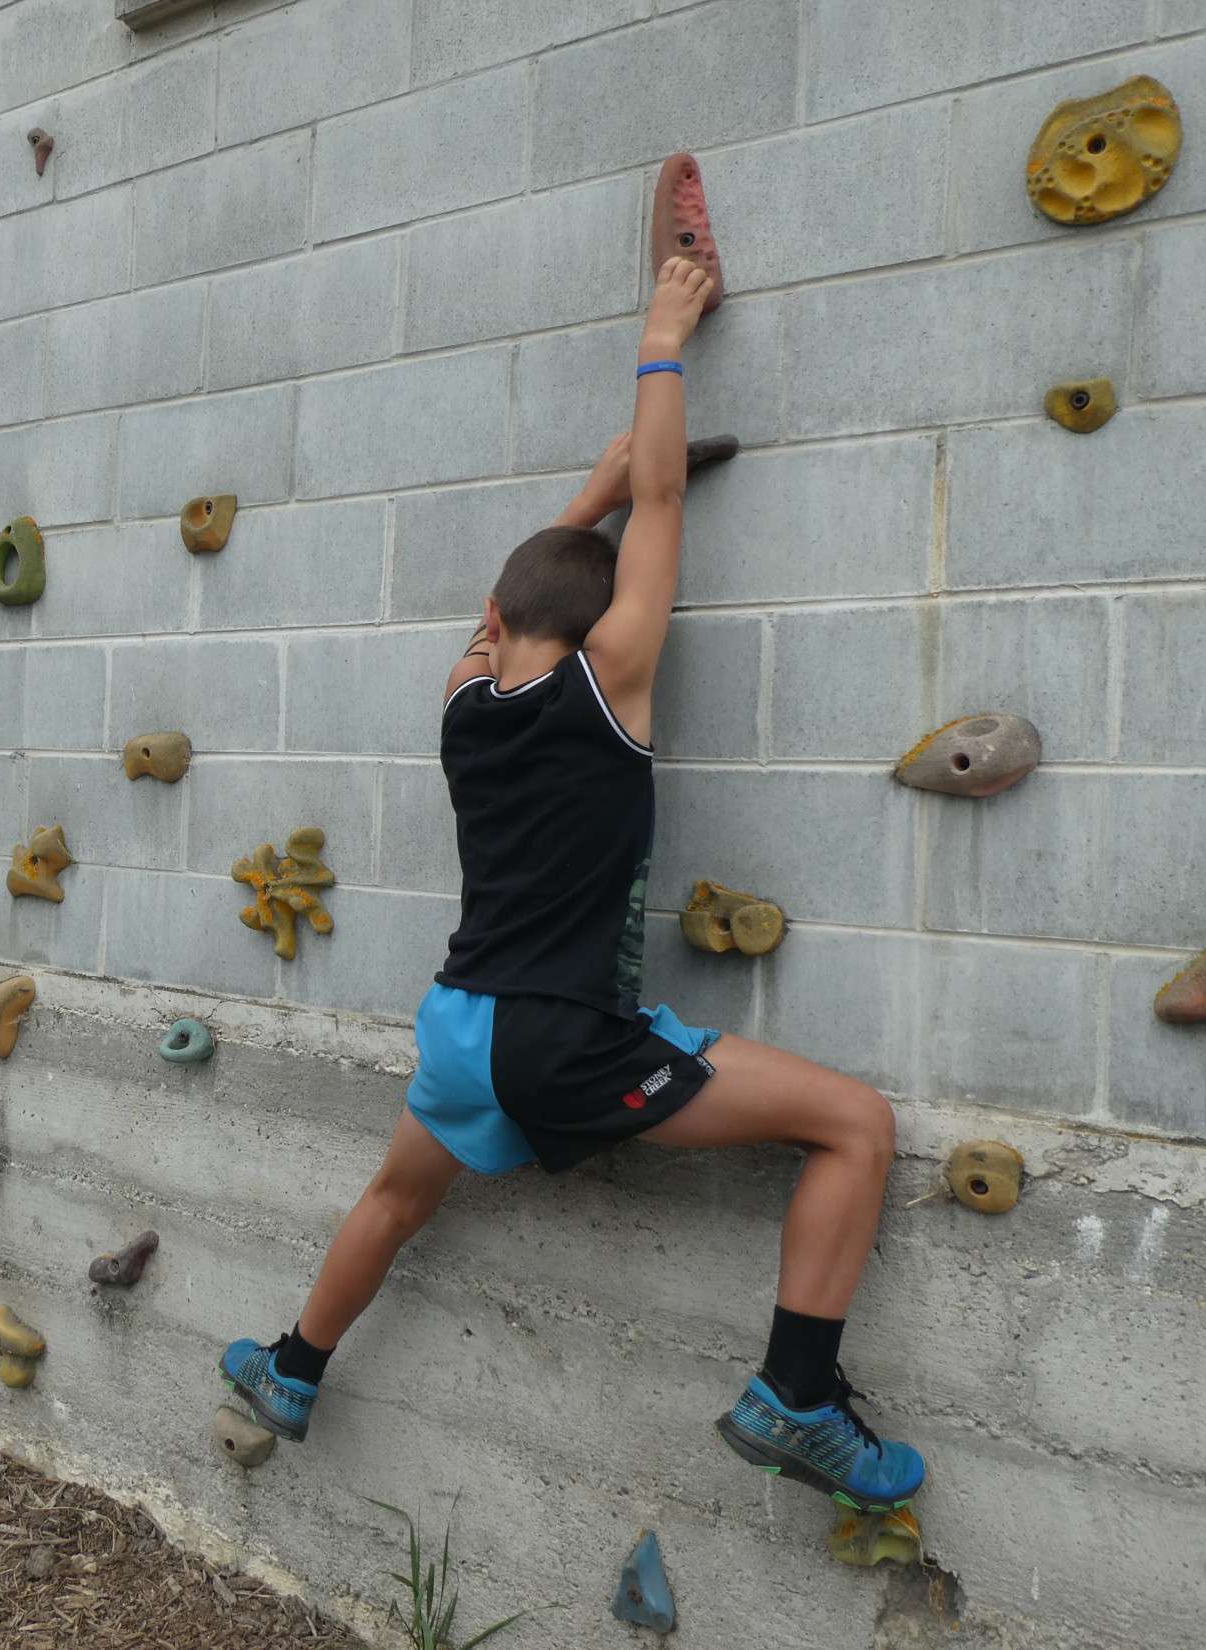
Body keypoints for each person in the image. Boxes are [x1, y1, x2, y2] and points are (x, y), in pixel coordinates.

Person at [218, 254, 925, 1514]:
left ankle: (291, 1369)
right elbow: (661, 500)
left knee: (394, 1196)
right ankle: (796, 1397)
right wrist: (663, 336)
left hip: (459, 1028)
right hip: (559, 1040)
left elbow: (519, 588)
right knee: (855, 1126)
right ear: (605, 623)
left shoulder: (458, 702)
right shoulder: (616, 678)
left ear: (497, 624)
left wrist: (592, 489)